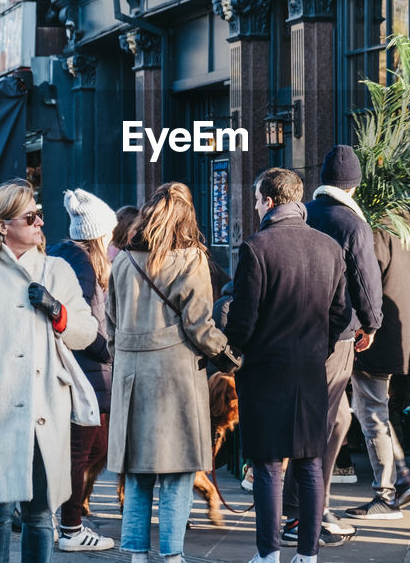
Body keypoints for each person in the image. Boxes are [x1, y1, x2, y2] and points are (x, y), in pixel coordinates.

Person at [0, 180, 100, 563]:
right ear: (2, 225)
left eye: (40, 214)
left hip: (46, 409)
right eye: (31, 217)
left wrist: (56, 310)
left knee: (40, 513)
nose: (40, 222)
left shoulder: (56, 270)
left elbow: (87, 331)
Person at [225, 167, 350, 563]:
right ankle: (308, 555)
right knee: (310, 462)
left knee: (267, 466)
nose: (257, 205)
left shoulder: (256, 247)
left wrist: (233, 352)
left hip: (264, 372)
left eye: (258, 199)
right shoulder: (329, 248)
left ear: (270, 201)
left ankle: (268, 554)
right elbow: (341, 315)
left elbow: (243, 321)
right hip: (311, 370)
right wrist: (318, 347)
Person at [108, 182, 232, 563]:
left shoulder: (123, 261)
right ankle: (172, 556)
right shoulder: (192, 258)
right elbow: (199, 325)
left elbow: (111, 327)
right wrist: (229, 356)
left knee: (138, 475)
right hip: (175, 380)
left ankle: (135, 555)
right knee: (178, 476)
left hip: (130, 380)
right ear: (186, 216)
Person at [281, 145, 381, 542]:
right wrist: (371, 325)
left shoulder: (304, 213)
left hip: (294, 331)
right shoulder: (353, 224)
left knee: (334, 419)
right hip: (335, 337)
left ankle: (312, 505)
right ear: (354, 185)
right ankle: (299, 515)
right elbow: (366, 282)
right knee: (321, 424)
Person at [48, 189, 120, 552]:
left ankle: (55, 515)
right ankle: (71, 528)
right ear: (100, 236)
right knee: (83, 451)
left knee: (84, 450)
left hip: (76, 371)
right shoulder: (85, 268)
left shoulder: (62, 257)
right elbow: (90, 328)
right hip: (88, 374)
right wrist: (112, 354)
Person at [345, 208, 410, 522]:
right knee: (375, 410)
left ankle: (386, 495)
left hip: (372, 337)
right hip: (398, 337)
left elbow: (366, 284)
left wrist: (363, 327)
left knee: (372, 415)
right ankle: (401, 477)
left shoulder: (378, 232)